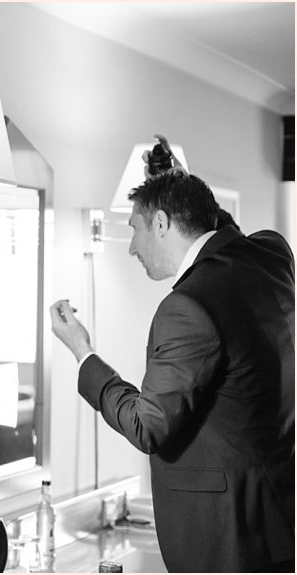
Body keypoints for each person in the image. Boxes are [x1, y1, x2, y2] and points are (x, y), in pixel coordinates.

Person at [50, 151, 295, 572]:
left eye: (134, 228)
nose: (130, 247)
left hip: (226, 543)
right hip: (279, 524)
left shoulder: (187, 306)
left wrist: (82, 352)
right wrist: (176, 181)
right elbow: (219, 231)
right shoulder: (272, 256)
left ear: (161, 223)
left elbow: (148, 426)